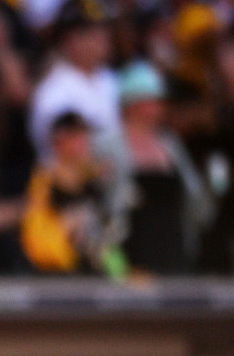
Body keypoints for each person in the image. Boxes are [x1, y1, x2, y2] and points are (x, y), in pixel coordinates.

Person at [96, 60, 213, 276]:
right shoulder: (106, 144)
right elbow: (101, 200)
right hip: (129, 250)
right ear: (133, 104)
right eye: (154, 101)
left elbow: (193, 195)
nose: (161, 107)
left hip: (172, 247)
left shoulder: (170, 144)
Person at [21, 111, 124, 277]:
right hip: (59, 274)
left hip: (98, 272)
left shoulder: (93, 178)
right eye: (78, 137)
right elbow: (38, 234)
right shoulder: (45, 179)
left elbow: (107, 234)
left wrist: (119, 272)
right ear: (59, 141)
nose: (85, 143)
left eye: (86, 136)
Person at [29, 0, 119, 157]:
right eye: (91, 33)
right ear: (68, 40)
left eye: (103, 30)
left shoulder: (108, 78)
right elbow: (65, 154)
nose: (102, 38)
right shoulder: (53, 91)